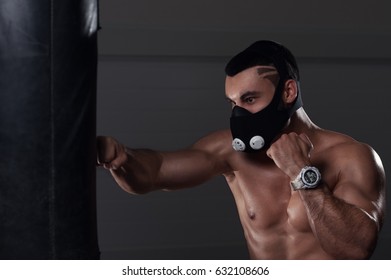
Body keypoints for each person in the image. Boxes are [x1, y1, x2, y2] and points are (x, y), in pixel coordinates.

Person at [96, 40, 386, 259]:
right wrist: (122, 158)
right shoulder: (230, 152)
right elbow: (155, 172)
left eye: (250, 99)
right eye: (233, 103)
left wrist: (302, 173)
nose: (240, 114)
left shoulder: (352, 156)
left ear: (288, 92)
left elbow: (356, 249)